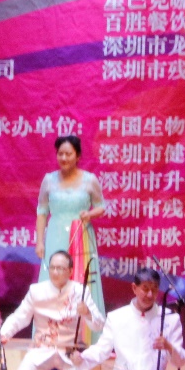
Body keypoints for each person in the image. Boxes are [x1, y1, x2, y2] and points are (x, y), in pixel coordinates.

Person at [0, 250, 104, 370]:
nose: (55, 272)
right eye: (53, 267)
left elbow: (98, 325)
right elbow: (20, 316)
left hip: (69, 350)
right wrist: (4, 333)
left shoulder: (81, 291)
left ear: (70, 271)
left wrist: (87, 312)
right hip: (41, 348)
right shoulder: (36, 291)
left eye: (61, 268)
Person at [35, 135, 106, 318]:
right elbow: (42, 211)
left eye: (68, 154)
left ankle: (85, 329)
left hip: (81, 236)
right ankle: (50, 328)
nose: (64, 158)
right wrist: (40, 242)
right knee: (54, 279)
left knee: (81, 280)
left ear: (78, 156)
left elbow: (101, 206)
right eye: (60, 154)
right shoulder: (49, 180)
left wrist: (90, 215)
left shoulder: (90, 180)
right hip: (55, 236)